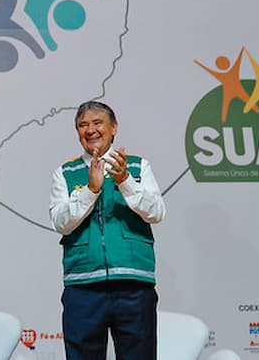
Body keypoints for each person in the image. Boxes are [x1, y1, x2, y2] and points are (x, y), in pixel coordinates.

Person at [49, 101, 165, 360]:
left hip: (134, 284)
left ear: (114, 128)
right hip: (83, 287)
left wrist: (125, 181)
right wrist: (90, 190)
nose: (90, 129)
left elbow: (156, 212)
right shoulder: (65, 172)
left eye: (97, 122)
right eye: (82, 125)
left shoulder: (137, 166)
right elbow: (60, 221)